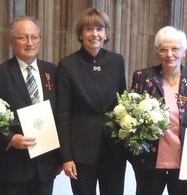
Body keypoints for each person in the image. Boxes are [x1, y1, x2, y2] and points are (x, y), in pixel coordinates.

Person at [0, 16, 60, 195]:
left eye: (35, 37)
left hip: (45, 164)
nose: (30, 42)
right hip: (12, 165)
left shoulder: (53, 71)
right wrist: (9, 138)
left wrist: (60, 158)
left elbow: (61, 114)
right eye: (23, 37)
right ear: (11, 41)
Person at [55, 8, 126, 195]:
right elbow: (62, 115)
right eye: (89, 29)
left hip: (113, 149)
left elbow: (123, 104)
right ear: (81, 34)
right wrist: (66, 157)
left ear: (106, 33)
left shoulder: (117, 61)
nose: (95, 34)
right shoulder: (67, 65)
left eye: (100, 29)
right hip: (81, 152)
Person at [129, 26, 187, 195]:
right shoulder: (143, 77)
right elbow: (131, 115)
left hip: (184, 164)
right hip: (150, 162)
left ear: (183, 52)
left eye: (175, 48)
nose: (170, 54)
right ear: (157, 53)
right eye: (164, 49)